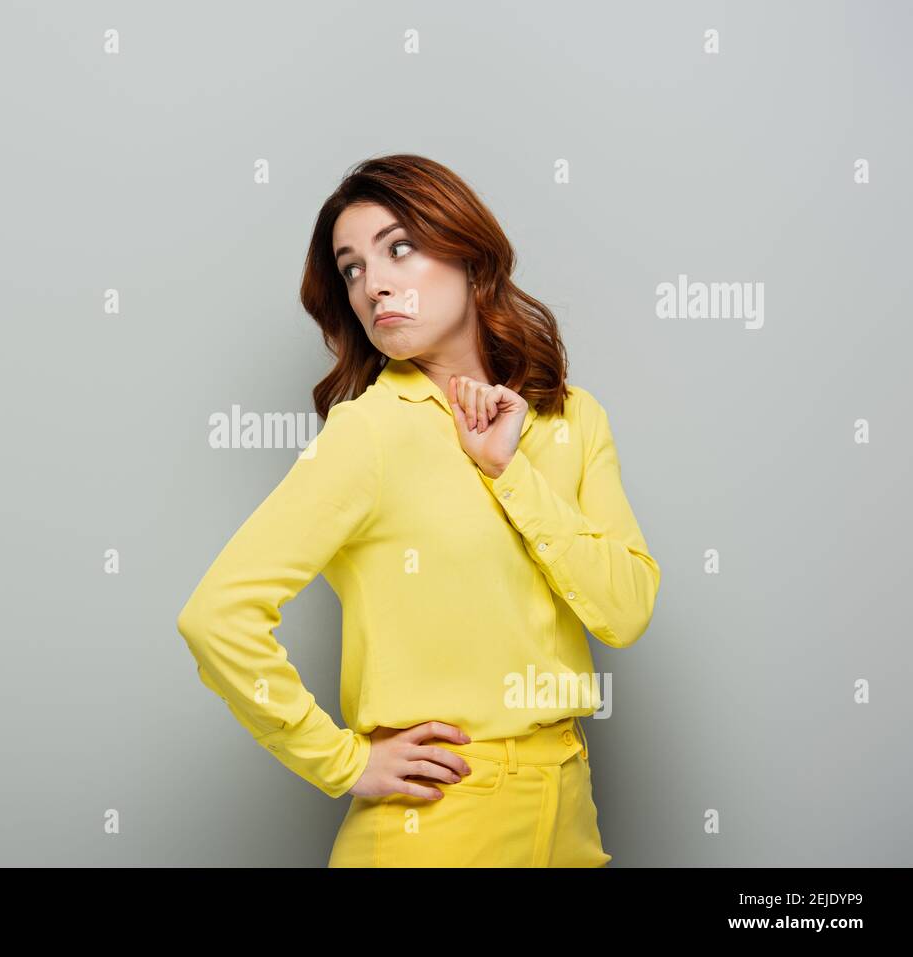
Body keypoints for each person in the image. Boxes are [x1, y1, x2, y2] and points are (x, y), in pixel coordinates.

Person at [175, 154, 661, 867]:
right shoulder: (372, 431)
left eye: (398, 248)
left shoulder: (571, 419)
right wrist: (341, 762)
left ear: (470, 255)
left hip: (570, 810)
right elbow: (216, 616)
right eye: (352, 269)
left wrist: (508, 472)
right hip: (435, 822)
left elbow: (626, 610)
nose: (374, 284)